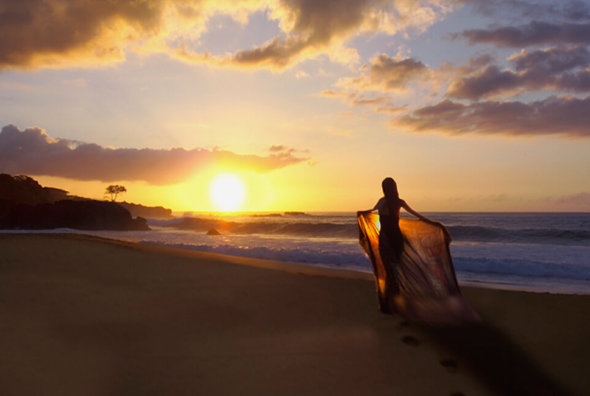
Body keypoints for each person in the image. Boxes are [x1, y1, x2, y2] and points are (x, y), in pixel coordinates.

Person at [358, 177, 440, 312]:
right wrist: (431, 223)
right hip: (397, 239)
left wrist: (361, 214)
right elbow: (415, 214)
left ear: (384, 189)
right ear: (395, 188)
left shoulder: (382, 201)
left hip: (385, 239)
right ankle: (396, 300)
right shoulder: (399, 202)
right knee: (396, 270)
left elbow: (370, 211)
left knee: (388, 271)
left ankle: (388, 303)